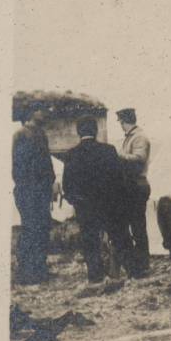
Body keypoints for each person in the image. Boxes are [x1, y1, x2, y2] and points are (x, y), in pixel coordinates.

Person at [60, 117, 140, 282]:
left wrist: (77, 202)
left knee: (90, 243)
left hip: (85, 208)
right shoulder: (108, 150)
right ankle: (135, 273)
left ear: (78, 132)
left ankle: (96, 278)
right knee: (120, 238)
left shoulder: (71, 154)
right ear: (95, 131)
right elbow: (119, 181)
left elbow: (67, 187)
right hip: (109, 205)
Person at [12, 106, 57, 284]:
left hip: (41, 191)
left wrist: (50, 183)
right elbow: (19, 167)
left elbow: (47, 164)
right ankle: (24, 272)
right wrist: (30, 187)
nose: (45, 113)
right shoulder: (21, 134)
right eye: (41, 110)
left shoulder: (41, 134)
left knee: (43, 229)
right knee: (30, 229)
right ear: (31, 113)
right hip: (28, 191)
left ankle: (40, 269)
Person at [115, 108, 153, 274]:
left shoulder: (139, 138)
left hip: (136, 185)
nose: (121, 126)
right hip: (132, 186)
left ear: (124, 122)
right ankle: (139, 263)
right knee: (135, 225)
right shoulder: (132, 137)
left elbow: (138, 159)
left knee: (138, 227)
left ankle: (143, 263)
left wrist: (119, 155)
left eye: (121, 123)